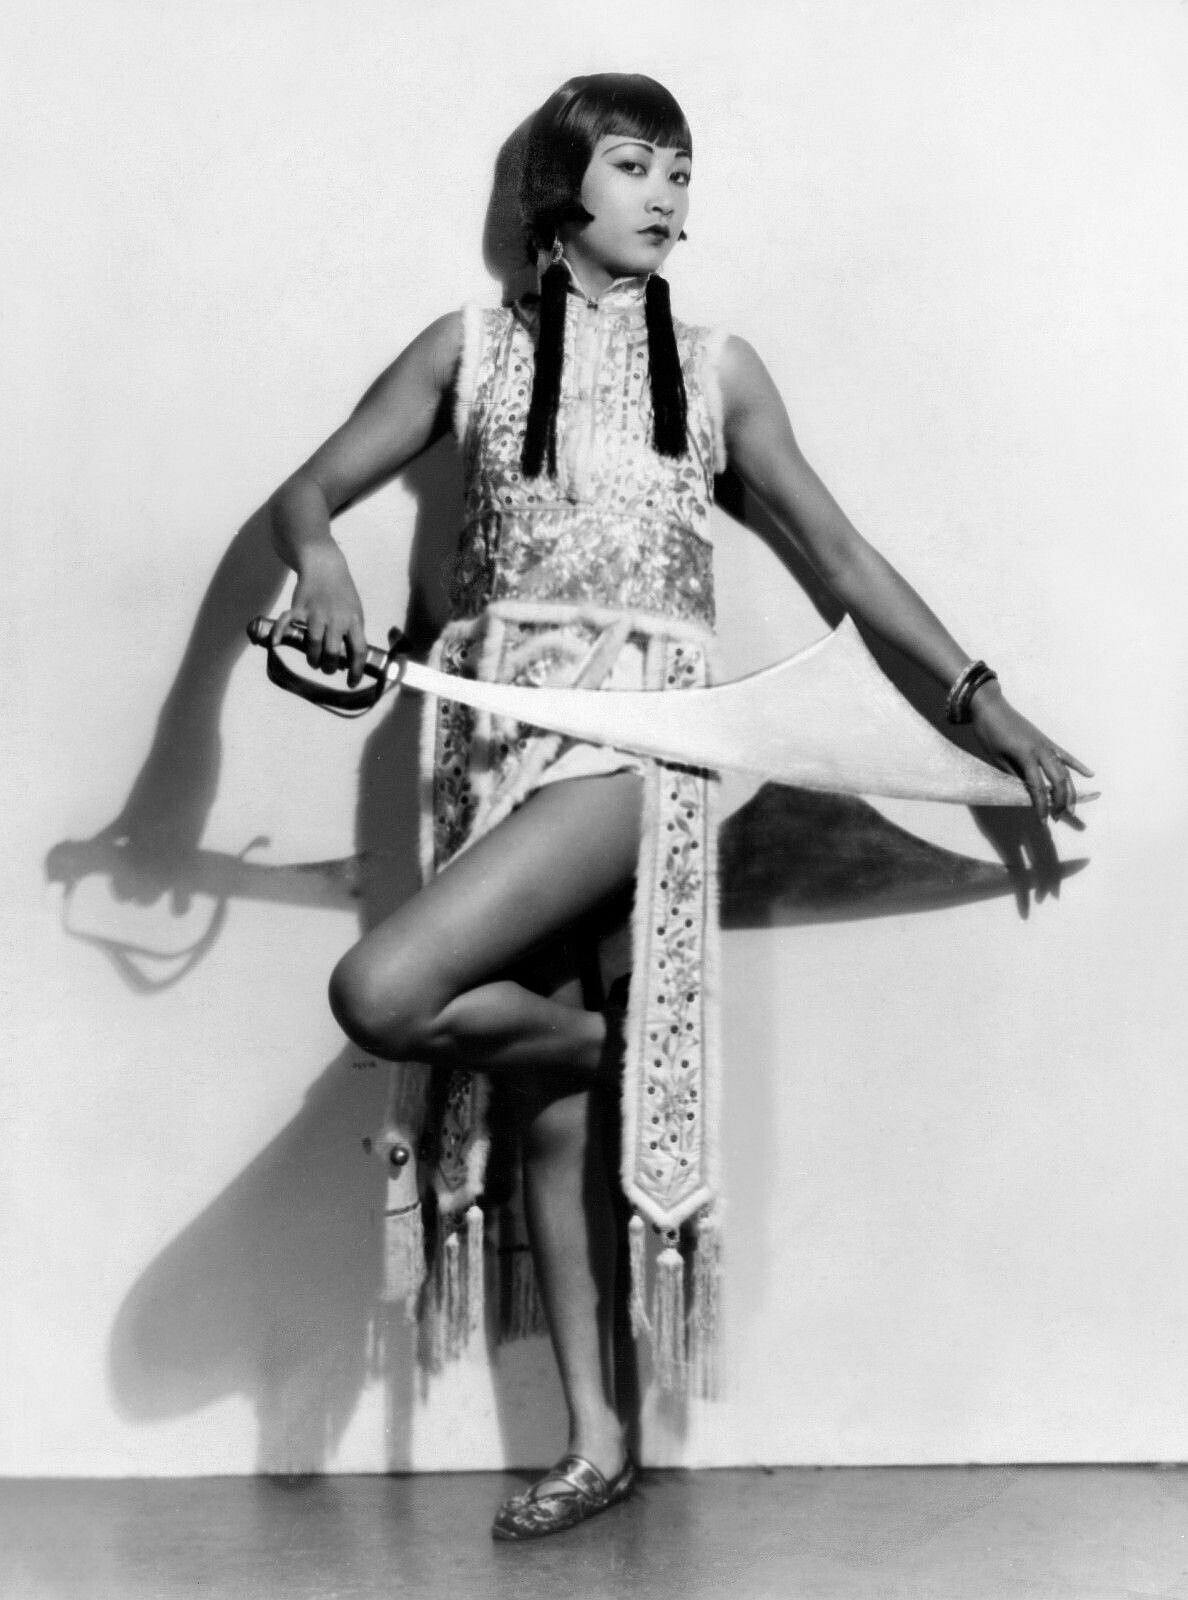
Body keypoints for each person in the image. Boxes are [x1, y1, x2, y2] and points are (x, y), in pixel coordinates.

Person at [262, 73, 1091, 1539]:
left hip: (647, 745)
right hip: (490, 744)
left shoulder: (717, 369)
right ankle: (597, 1442)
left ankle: (617, 1053)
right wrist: (320, 562)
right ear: (560, 188)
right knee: (549, 1116)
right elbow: (306, 493)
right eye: (637, 165)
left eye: (681, 173)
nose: (667, 197)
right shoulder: (465, 349)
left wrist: (984, 703)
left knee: (381, 992)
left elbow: (841, 557)